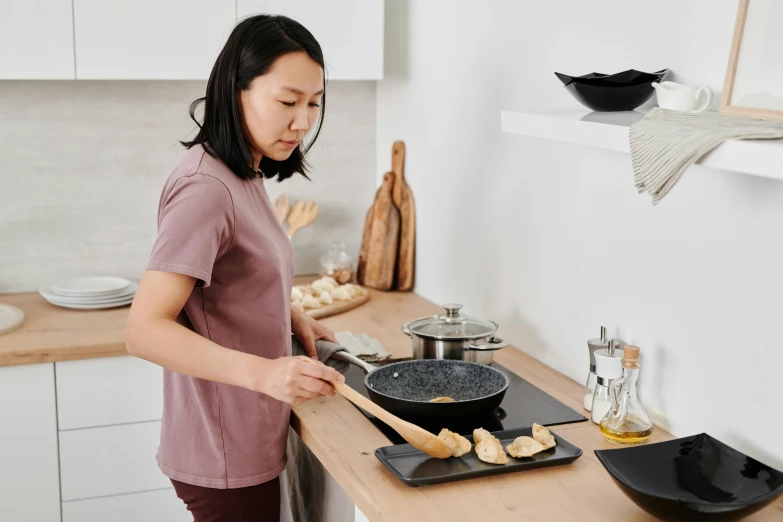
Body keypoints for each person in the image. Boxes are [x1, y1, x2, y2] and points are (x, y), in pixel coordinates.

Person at [124, 14, 345, 522]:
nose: (303, 121)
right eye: (288, 102)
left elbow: (231, 278)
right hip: (224, 451)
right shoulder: (207, 188)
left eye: (314, 103)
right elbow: (143, 330)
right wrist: (267, 373)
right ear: (235, 90)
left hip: (243, 437)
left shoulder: (242, 169)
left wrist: (286, 313)